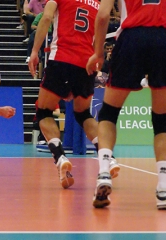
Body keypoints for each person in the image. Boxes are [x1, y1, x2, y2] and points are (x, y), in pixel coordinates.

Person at [28, 0, 119, 189]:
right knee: (83, 114)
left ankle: (60, 157)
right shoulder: (97, 4)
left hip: (61, 59)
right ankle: (108, 158)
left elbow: (45, 18)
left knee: (43, 112)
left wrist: (35, 51)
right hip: (86, 64)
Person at [86, 0, 166, 209]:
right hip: (163, 39)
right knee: (162, 121)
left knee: (109, 114)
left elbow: (103, 15)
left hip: (132, 38)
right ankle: (163, 187)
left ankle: (104, 172)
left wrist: (98, 53)